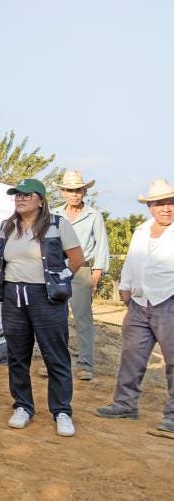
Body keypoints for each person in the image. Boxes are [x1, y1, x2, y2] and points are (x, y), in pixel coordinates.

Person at [0, 178, 84, 437]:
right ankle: (23, 406)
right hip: (14, 294)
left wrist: (59, 278)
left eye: (26, 194)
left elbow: (77, 259)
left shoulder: (58, 225)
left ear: (41, 200)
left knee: (55, 354)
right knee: (17, 355)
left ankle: (61, 411)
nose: (20, 198)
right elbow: (4, 260)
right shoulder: (7, 226)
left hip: (45, 296)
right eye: (17, 195)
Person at [95, 179, 174, 434]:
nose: (167, 208)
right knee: (132, 356)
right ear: (150, 206)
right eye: (160, 203)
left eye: (171, 202)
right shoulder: (141, 230)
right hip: (140, 302)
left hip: (168, 300)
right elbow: (132, 260)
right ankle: (125, 403)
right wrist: (125, 286)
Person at [52, 170, 110, 381]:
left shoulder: (93, 215)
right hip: (57, 268)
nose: (74, 194)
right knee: (56, 317)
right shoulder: (54, 213)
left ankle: (85, 364)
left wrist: (97, 272)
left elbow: (101, 244)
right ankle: (57, 363)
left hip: (82, 269)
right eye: (70, 190)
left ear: (84, 191)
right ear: (63, 192)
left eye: (78, 190)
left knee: (83, 317)